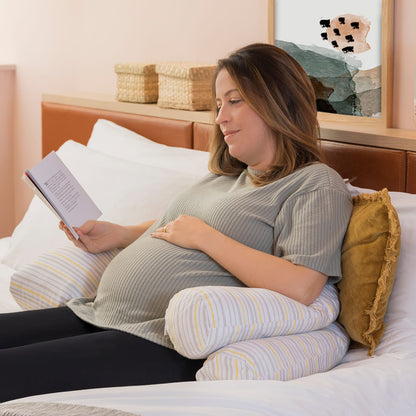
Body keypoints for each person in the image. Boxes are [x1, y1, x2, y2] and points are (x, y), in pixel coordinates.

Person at [0, 43, 352, 402]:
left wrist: (205, 237)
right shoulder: (228, 177)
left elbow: (303, 285)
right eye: (218, 105)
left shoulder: (315, 183)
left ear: (279, 101)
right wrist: (120, 234)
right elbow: (180, 225)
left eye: (234, 101)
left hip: (156, 342)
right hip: (99, 312)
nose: (221, 118)